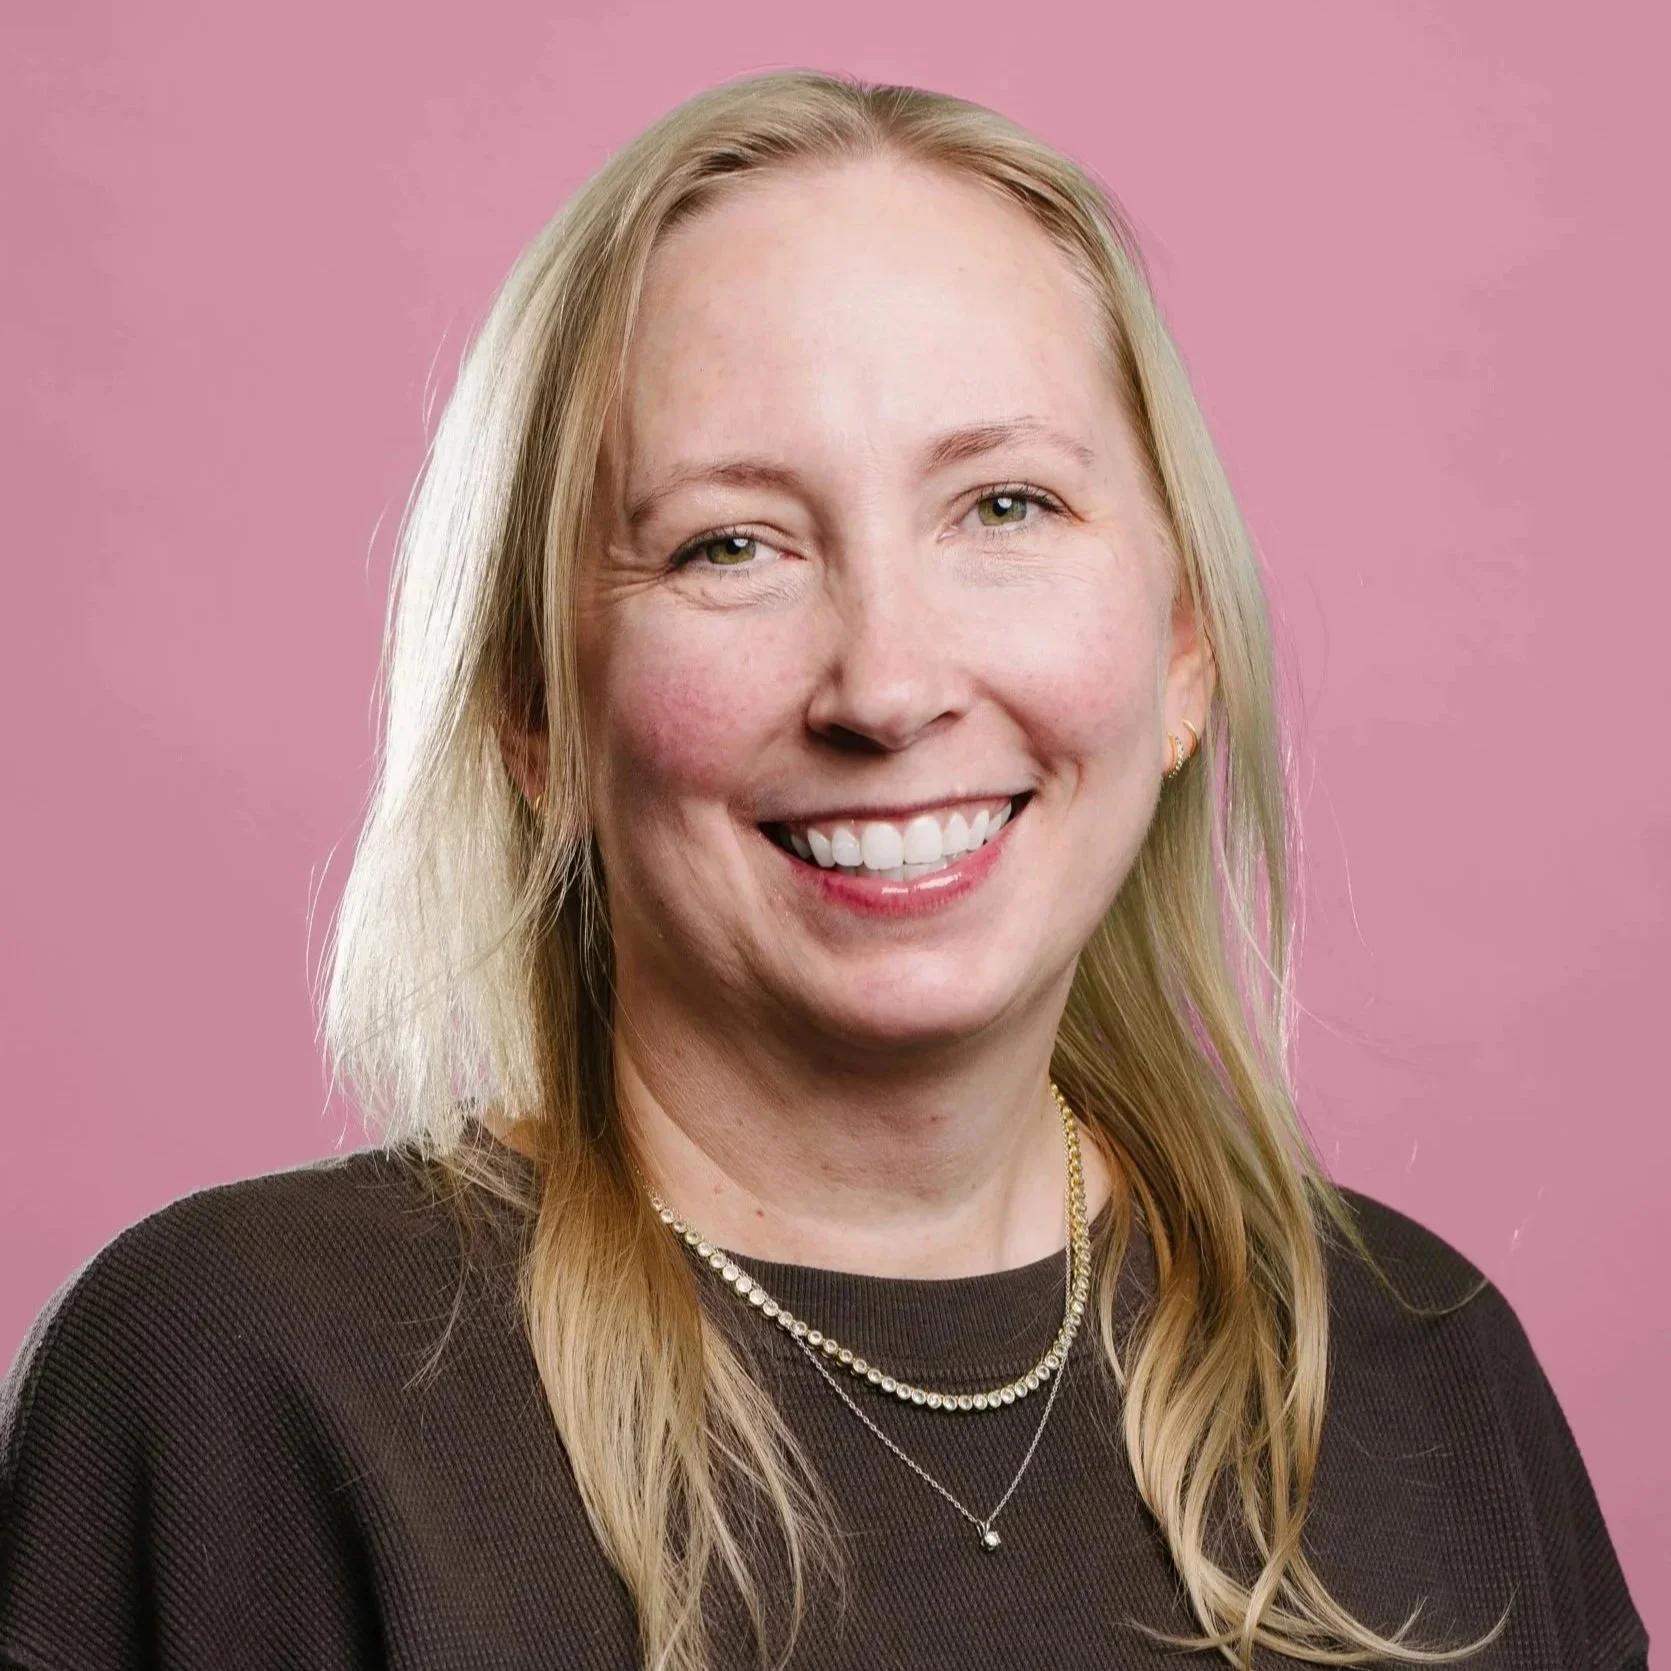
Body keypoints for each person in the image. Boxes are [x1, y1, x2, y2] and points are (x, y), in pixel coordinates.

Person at [0, 69, 1648, 1671]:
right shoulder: (240, 1383)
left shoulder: (1421, 1370)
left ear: (1181, 648)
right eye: (730, 544)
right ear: (536, 715)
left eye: (1003, 506)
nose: (886, 685)